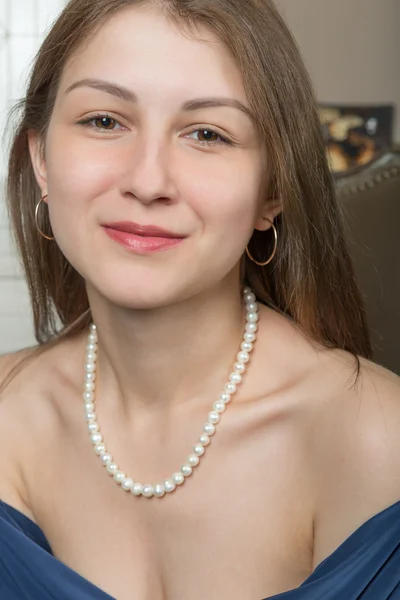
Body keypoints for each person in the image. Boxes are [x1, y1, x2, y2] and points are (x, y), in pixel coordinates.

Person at [1, 0, 400, 598]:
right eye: (105, 121)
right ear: (41, 159)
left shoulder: (375, 439)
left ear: (273, 190)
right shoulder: (8, 417)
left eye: (207, 133)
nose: (148, 181)